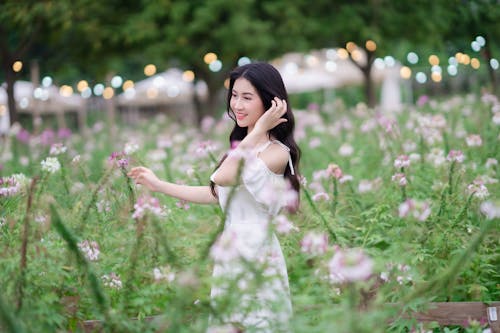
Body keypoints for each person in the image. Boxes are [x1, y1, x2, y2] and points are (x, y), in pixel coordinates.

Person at [128, 62, 301, 332]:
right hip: (232, 249)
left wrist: (256, 132)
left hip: (258, 253)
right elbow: (214, 192)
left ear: (269, 102)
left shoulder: (277, 153)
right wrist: (159, 185)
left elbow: (222, 176)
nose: (237, 105)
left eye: (247, 97)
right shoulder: (245, 146)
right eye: (234, 95)